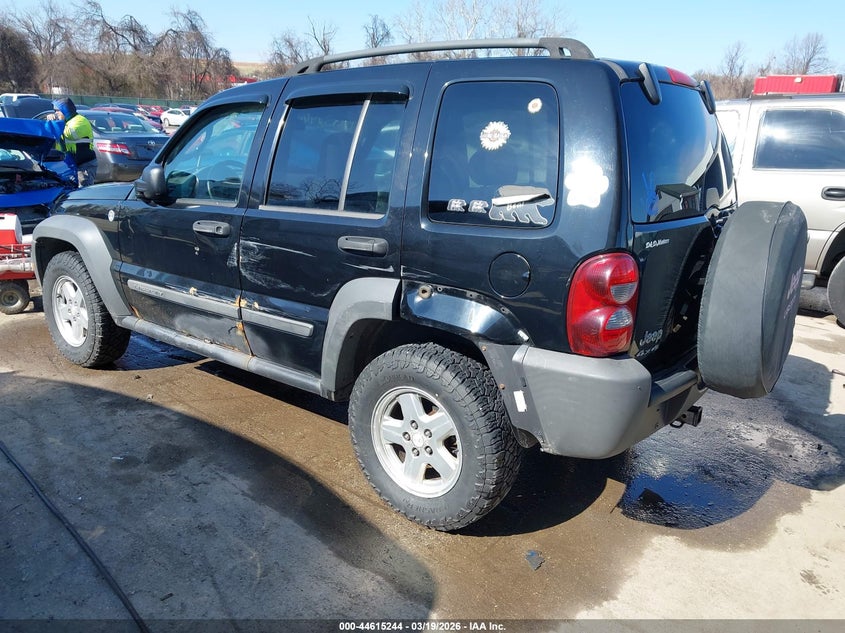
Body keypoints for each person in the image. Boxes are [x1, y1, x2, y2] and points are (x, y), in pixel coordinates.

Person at [52, 97, 97, 186]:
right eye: (54, 111)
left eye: (57, 110)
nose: (55, 113)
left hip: (84, 165)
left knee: (83, 190)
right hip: (68, 164)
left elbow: (70, 134)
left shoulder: (80, 120)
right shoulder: (64, 122)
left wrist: (54, 123)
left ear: (65, 110)